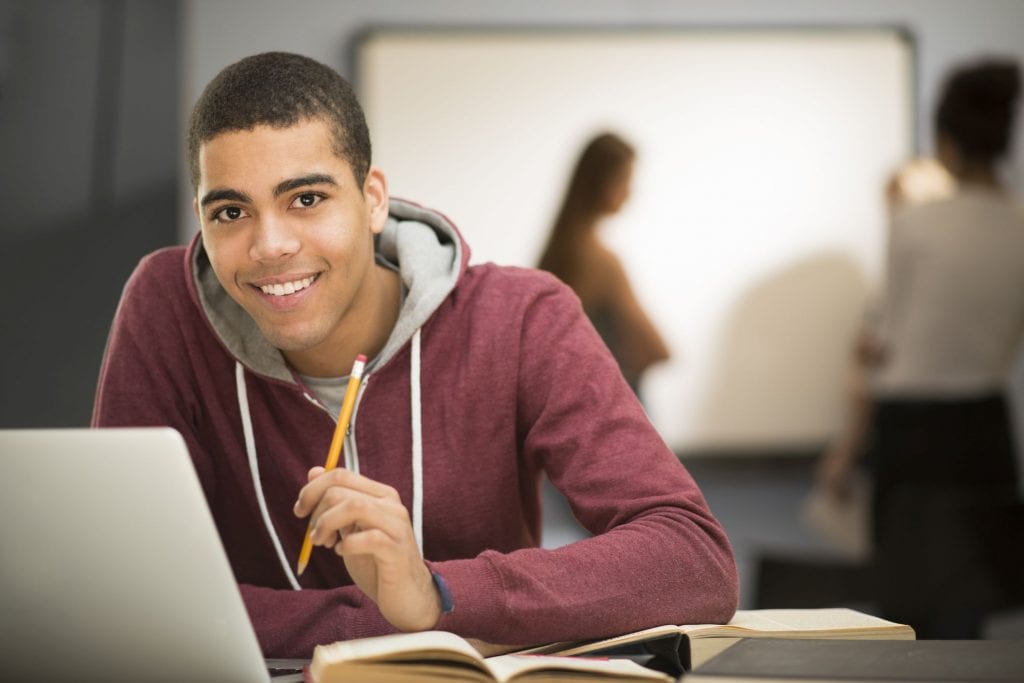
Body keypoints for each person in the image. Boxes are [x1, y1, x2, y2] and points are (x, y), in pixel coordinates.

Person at [92, 52, 737, 658]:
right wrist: (393, 620)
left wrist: (435, 593)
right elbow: (126, 598)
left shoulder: (521, 317)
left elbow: (692, 560)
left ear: (373, 199)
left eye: (307, 199)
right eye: (230, 211)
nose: (270, 245)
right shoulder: (164, 306)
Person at [816, 57, 1024, 638]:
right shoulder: (1020, 225)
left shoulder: (916, 224)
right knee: (970, 609)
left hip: (911, 435)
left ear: (944, 139)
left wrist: (846, 447)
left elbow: (878, 347)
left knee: (905, 614)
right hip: (984, 431)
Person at [537, 133, 670, 396]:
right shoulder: (601, 260)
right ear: (600, 184)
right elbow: (657, 348)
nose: (630, 193)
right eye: (625, 181)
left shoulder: (553, 256)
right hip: (613, 400)